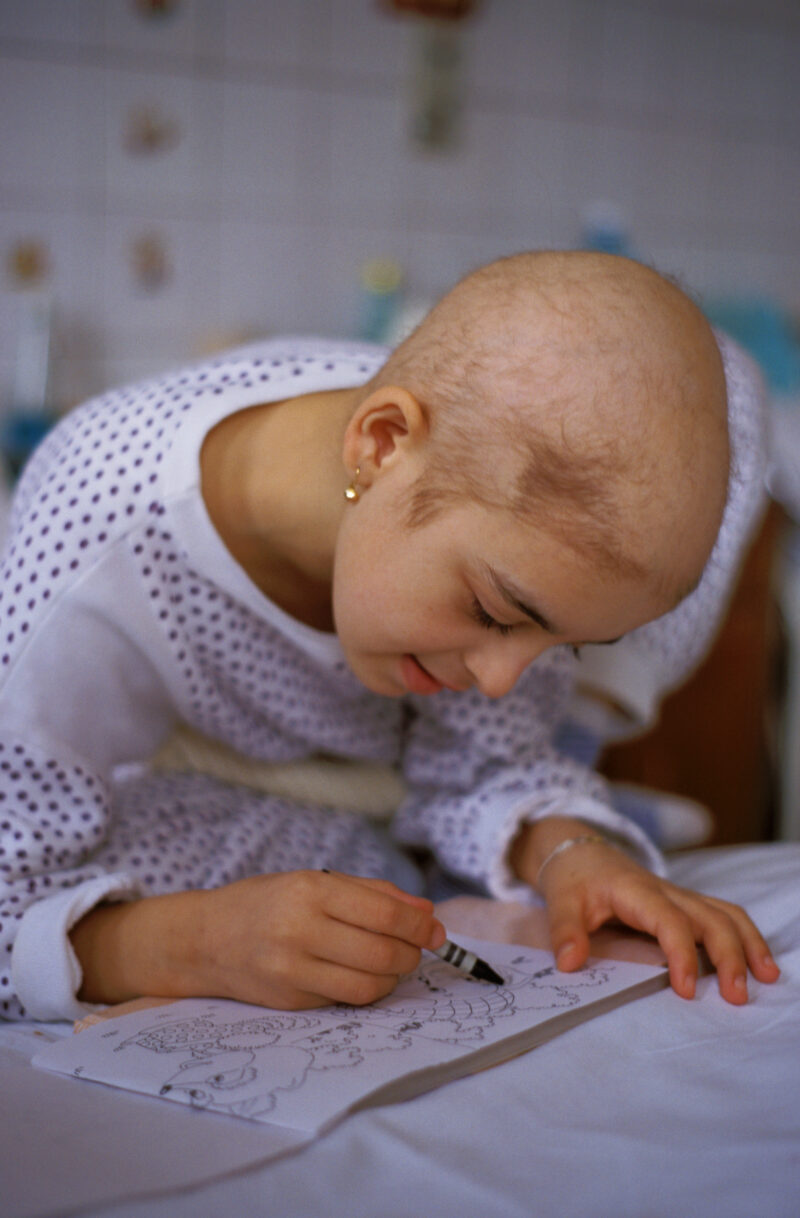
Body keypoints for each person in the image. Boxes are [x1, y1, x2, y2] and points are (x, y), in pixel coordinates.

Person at [0, 251, 780, 1024]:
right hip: (210, 770)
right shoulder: (90, 543)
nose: (504, 680)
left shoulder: (503, 527)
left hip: (372, 759)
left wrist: (573, 852)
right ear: (379, 444)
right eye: (493, 612)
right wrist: (196, 943)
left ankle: (574, 783)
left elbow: (486, 760)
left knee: (735, 389)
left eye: (564, 647)